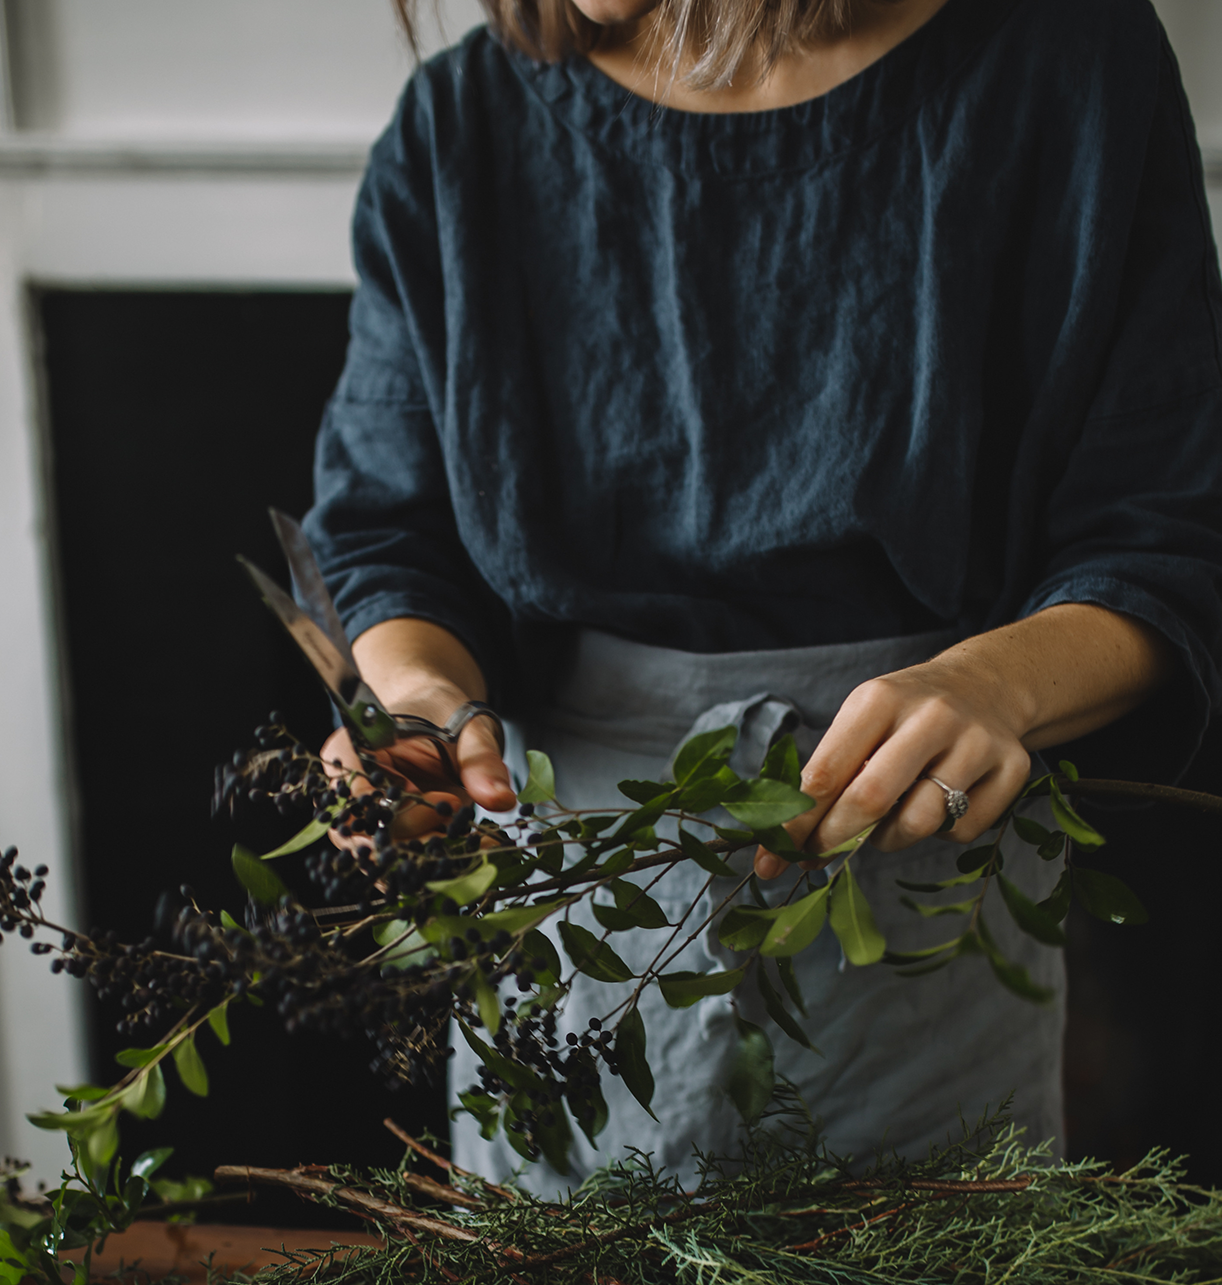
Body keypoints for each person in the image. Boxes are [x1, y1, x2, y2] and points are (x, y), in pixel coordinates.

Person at [306, 0, 1222, 1191]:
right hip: (566, 911)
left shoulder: (1065, 60)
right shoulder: (452, 127)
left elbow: (1167, 524)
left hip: (915, 895)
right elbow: (391, 530)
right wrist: (419, 698)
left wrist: (992, 684)